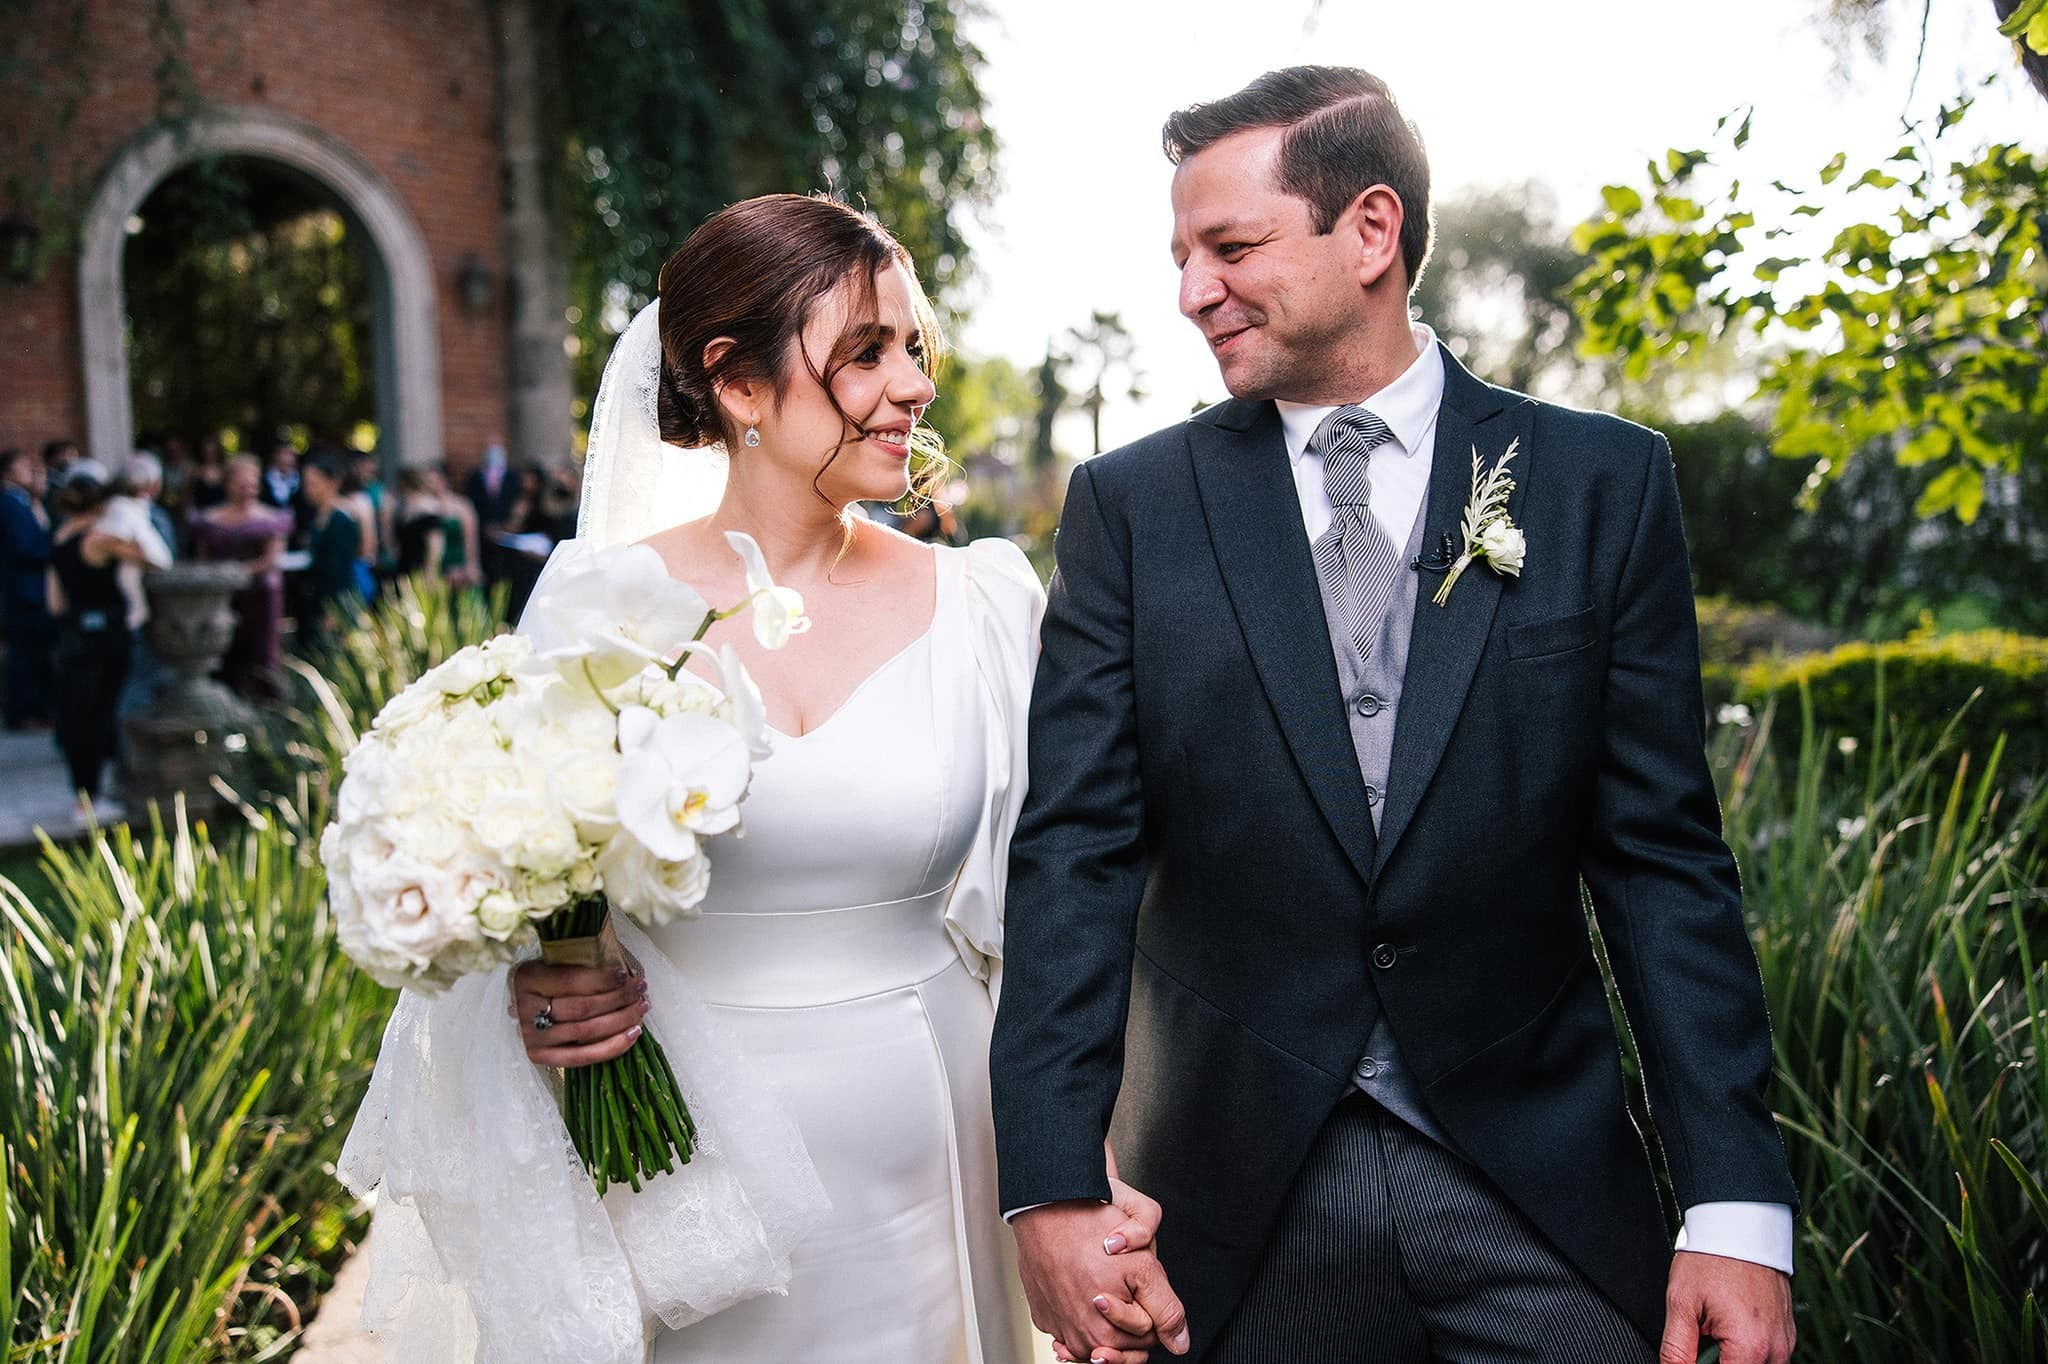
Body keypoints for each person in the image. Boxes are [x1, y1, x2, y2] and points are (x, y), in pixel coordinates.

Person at [990, 66, 1799, 1364]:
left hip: (1534, 1187)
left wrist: (1735, 1207)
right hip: (1231, 1207)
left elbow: (1660, 859)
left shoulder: (1600, 484)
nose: (1191, 290)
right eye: (1181, 256)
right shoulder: (1130, 509)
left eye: (1229, 247)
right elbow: (1074, 851)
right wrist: (1050, 1179)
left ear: (1370, 230)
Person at [340, 193, 1163, 1363]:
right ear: (736, 383)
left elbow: (1046, 924)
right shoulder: (598, 608)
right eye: (864, 353)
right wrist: (545, 985)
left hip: (931, 1140)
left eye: (912, 348)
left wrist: (1074, 1173)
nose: (912, 385)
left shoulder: (981, 604)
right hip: (680, 1164)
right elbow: (530, 880)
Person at [47, 462, 150, 819]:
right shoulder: (99, 538)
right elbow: (152, 556)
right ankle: (91, 799)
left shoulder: (59, 539)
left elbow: (55, 603)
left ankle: (84, 795)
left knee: (79, 715)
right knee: (99, 716)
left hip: (73, 635)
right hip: (105, 636)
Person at [191, 454, 291, 700]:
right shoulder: (210, 519)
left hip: (259, 595)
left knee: (260, 651)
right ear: (228, 484)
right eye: (241, 484)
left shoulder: (269, 518)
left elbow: (271, 559)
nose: (247, 489)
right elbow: (202, 558)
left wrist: (238, 572)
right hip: (221, 595)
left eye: (252, 484)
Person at [1, 447, 53, 730]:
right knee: (25, 653)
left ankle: (32, 710)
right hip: (23, 590)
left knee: (31, 651)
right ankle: (24, 712)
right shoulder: (9, 504)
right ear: (8, 472)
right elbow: (23, 548)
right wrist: (53, 550)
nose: (29, 473)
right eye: (23, 467)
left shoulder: (22, 502)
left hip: (27, 589)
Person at [296, 451, 365, 648]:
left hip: (337, 602)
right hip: (318, 598)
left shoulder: (341, 518)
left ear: (331, 482)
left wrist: (332, 612)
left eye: (313, 483)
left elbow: (340, 568)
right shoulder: (317, 515)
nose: (308, 489)